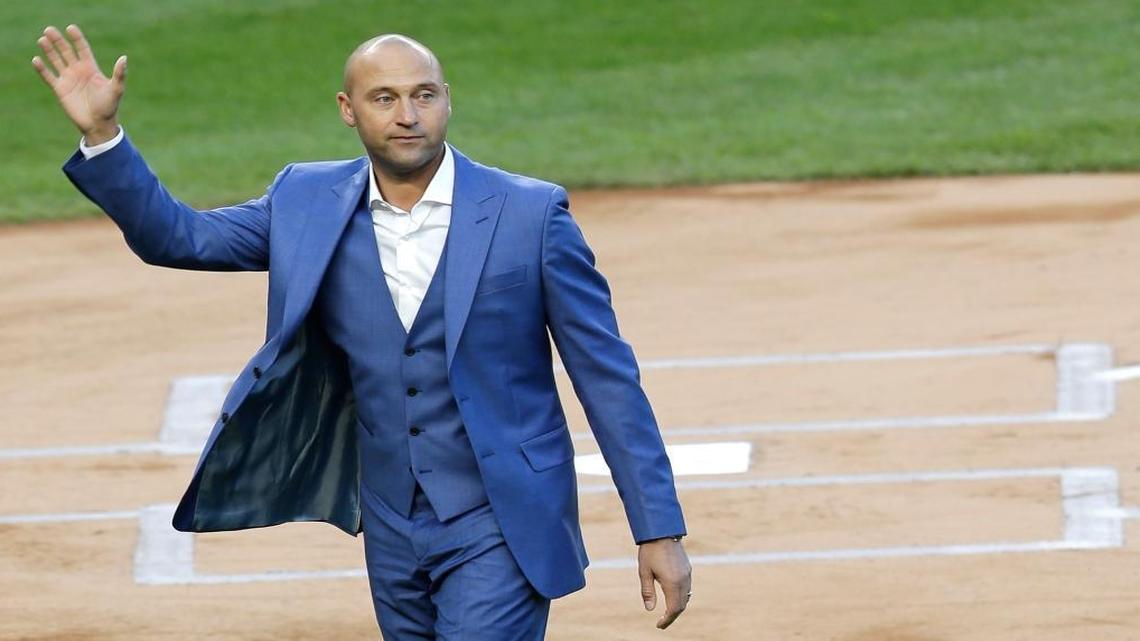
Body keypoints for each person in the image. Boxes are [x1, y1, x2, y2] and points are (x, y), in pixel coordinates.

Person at [33, 24, 692, 640]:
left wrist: (656, 527)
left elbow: (607, 376)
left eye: (423, 95)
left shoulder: (531, 215)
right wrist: (105, 136)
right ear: (349, 110)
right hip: (389, 521)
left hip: (502, 517)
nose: (408, 115)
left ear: (447, 102)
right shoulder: (304, 200)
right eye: (386, 98)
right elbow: (177, 236)